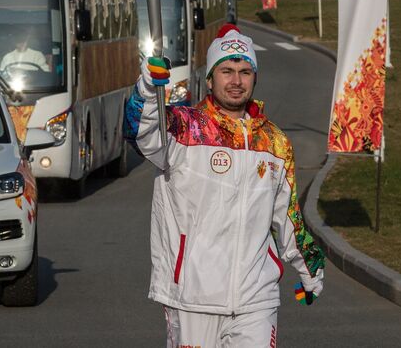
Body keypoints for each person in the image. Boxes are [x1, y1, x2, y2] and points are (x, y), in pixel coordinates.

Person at [124, 24, 325, 347]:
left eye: (245, 72)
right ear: (210, 78)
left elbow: (287, 215)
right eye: (227, 71)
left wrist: (310, 268)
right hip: (193, 297)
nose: (236, 81)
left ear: (255, 78)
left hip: (256, 298)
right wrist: (148, 90)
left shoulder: (274, 142)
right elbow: (139, 132)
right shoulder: (183, 128)